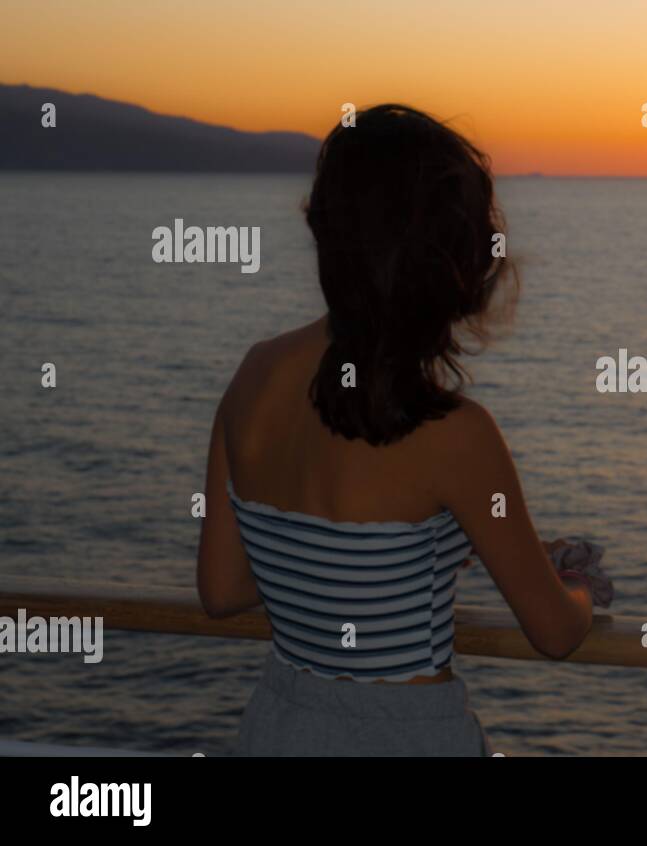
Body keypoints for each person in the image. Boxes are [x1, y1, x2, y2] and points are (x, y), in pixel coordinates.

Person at [195, 104, 597, 756]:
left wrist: (408, 561)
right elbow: (553, 631)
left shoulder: (254, 376)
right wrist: (578, 591)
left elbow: (223, 590)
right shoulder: (457, 435)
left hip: (278, 729)